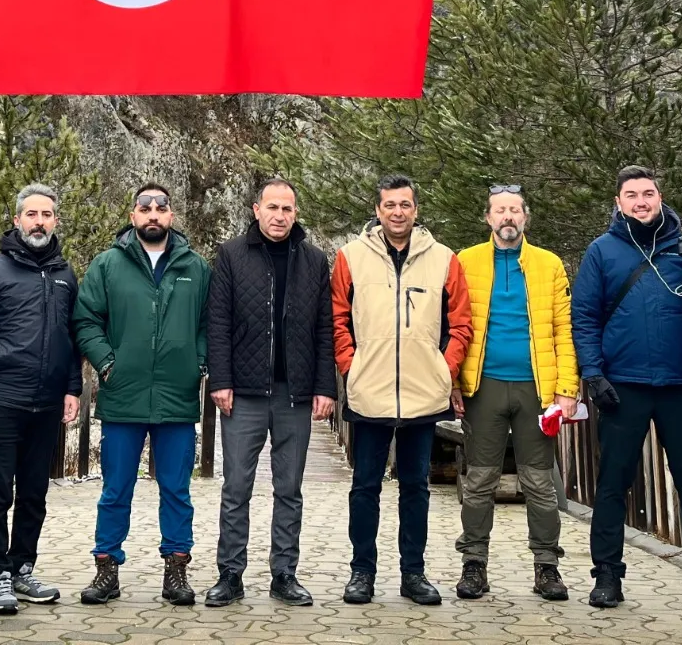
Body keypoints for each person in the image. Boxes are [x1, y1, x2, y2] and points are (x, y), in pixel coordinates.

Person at [571, 165, 682, 613]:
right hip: (623, 384)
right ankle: (607, 575)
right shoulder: (602, 252)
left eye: (648, 193)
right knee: (613, 483)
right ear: (618, 202)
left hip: (681, 382)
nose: (641, 202)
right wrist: (594, 374)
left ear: (660, 197)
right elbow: (584, 317)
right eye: (632, 195)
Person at [331, 175, 471, 606]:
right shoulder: (350, 257)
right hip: (369, 391)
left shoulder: (444, 259)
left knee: (416, 486)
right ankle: (362, 572)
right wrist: (350, 367)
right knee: (365, 485)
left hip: (422, 395)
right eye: (389, 205)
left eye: (405, 205)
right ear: (377, 211)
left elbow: (460, 323)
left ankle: (414, 573)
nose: (397, 212)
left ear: (416, 209)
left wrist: (442, 371)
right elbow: (337, 318)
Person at [72, 183, 212, 607]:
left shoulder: (196, 267)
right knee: (115, 489)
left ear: (172, 215)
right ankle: (106, 570)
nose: (153, 214)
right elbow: (85, 320)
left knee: (176, 490)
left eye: (161, 207)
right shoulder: (107, 265)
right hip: (123, 396)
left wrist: (198, 363)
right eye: (145, 207)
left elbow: (210, 323)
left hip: (177, 397)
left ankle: (176, 571)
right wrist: (108, 363)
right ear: (133, 215)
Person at [203, 179, 337, 609]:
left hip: (295, 394)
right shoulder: (231, 255)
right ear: (256, 208)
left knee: (289, 488)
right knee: (236, 486)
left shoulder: (315, 261)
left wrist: (324, 386)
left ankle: (284, 574)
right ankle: (230, 574)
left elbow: (323, 327)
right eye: (272, 207)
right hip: (242, 392)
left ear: (296, 214)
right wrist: (220, 380)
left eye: (288, 209)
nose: (280, 216)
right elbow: (217, 322)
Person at [0, 184, 83, 616]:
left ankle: (23, 567)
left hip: (47, 404)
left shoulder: (66, 275)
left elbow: (71, 337)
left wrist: (73, 387)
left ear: (55, 222)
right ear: (17, 221)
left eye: (47, 215)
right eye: (31, 214)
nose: (39, 222)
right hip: (1, 401)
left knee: (34, 494)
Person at [453, 184, 579, 602]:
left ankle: (547, 566)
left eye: (515, 211)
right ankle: (474, 565)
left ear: (525, 217)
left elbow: (565, 329)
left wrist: (566, 388)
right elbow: (450, 325)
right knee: (480, 479)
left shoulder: (548, 264)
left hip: (536, 388)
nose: (507, 217)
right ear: (488, 218)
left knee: (539, 481)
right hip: (483, 386)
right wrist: (453, 381)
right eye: (500, 211)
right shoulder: (465, 261)